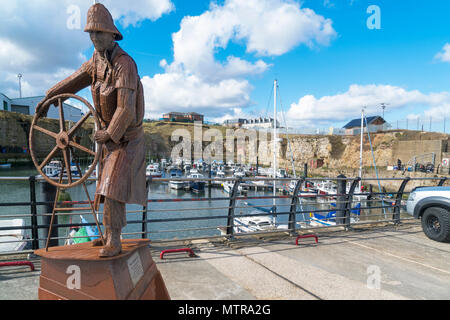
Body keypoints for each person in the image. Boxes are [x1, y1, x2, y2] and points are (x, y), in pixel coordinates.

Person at [36, 3, 147, 257]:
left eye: (99, 32)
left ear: (112, 34)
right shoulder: (95, 63)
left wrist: (109, 134)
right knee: (104, 188)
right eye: (91, 33)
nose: (94, 37)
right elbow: (72, 82)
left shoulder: (124, 65)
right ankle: (108, 235)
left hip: (126, 140)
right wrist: (48, 99)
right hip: (108, 140)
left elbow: (126, 109)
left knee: (112, 186)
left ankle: (115, 240)